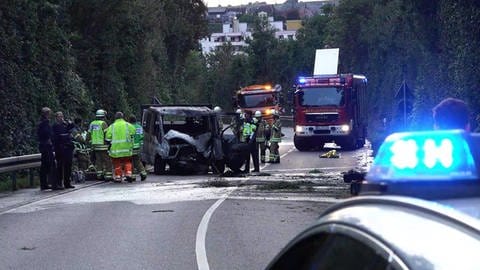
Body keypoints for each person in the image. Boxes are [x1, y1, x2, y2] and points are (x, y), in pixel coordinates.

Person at [105, 112, 136, 182]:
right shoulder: (128, 125)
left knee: (117, 163)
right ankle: (128, 174)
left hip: (116, 150)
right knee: (127, 161)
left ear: (115, 118)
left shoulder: (112, 126)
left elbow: (107, 138)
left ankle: (118, 176)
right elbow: (134, 131)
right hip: (126, 148)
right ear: (123, 117)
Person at [87, 109, 113, 181]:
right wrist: (109, 143)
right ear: (103, 116)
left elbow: (88, 134)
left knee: (99, 161)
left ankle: (99, 175)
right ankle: (108, 176)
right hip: (103, 145)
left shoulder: (92, 123)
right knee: (107, 161)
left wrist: (89, 143)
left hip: (95, 146)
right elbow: (106, 134)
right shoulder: (103, 123)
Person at [52, 111, 75, 189]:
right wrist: (66, 136)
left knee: (68, 166)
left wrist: (70, 123)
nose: (61, 118)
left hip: (68, 148)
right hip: (60, 148)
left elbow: (71, 128)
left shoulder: (65, 125)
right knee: (60, 166)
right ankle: (59, 183)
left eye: (62, 116)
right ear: (56, 118)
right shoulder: (55, 126)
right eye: (59, 116)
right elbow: (60, 136)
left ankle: (67, 183)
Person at [37, 107, 57, 190]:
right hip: (46, 146)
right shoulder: (44, 123)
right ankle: (50, 183)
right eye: (49, 114)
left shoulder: (43, 123)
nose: (50, 115)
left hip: (45, 146)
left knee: (45, 165)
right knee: (49, 165)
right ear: (46, 114)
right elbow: (46, 134)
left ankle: (45, 183)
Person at [129, 115, 147, 181]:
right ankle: (143, 173)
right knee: (138, 161)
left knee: (131, 162)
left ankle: (133, 176)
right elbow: (142, 136)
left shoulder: (129, 127)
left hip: (131, 147)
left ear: (130, 121)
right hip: (138, 147)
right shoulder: (139, 127)